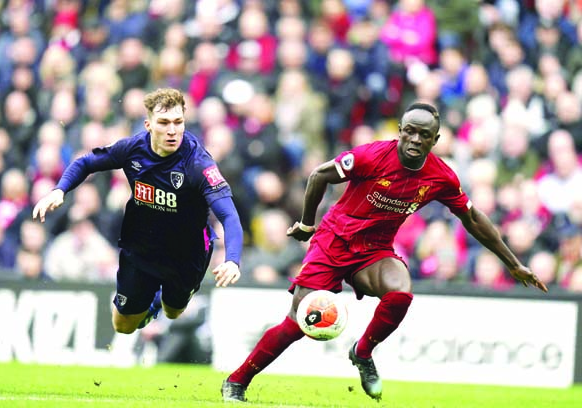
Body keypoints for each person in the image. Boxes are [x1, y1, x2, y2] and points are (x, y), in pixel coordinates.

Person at [221, 102, 548, 402]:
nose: (415, 139)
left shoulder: (441, 176)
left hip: (374, 250)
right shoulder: (371, 155)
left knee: (401, 293)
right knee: (297, 323)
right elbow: (319, 174)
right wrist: (307, 225)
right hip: (334, 241)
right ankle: (237, 381)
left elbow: (473, 218)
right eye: (409, 131)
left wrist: (514, 264)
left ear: (435, 140)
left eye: (424, 135)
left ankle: (362, 352)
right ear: (400, 131)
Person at [33, 88, 243, 334]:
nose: (172, 131)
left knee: (173, 311)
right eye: (164, 123)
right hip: (142, 246)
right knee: (122, 326)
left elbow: (228, 214)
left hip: (187, 253)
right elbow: (85, 162)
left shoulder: (199, 164)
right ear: (148, 125)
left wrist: (232, 259)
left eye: (178, 122)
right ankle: (147, 304)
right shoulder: (133, 149)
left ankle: (157, 300)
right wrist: (60, 190)